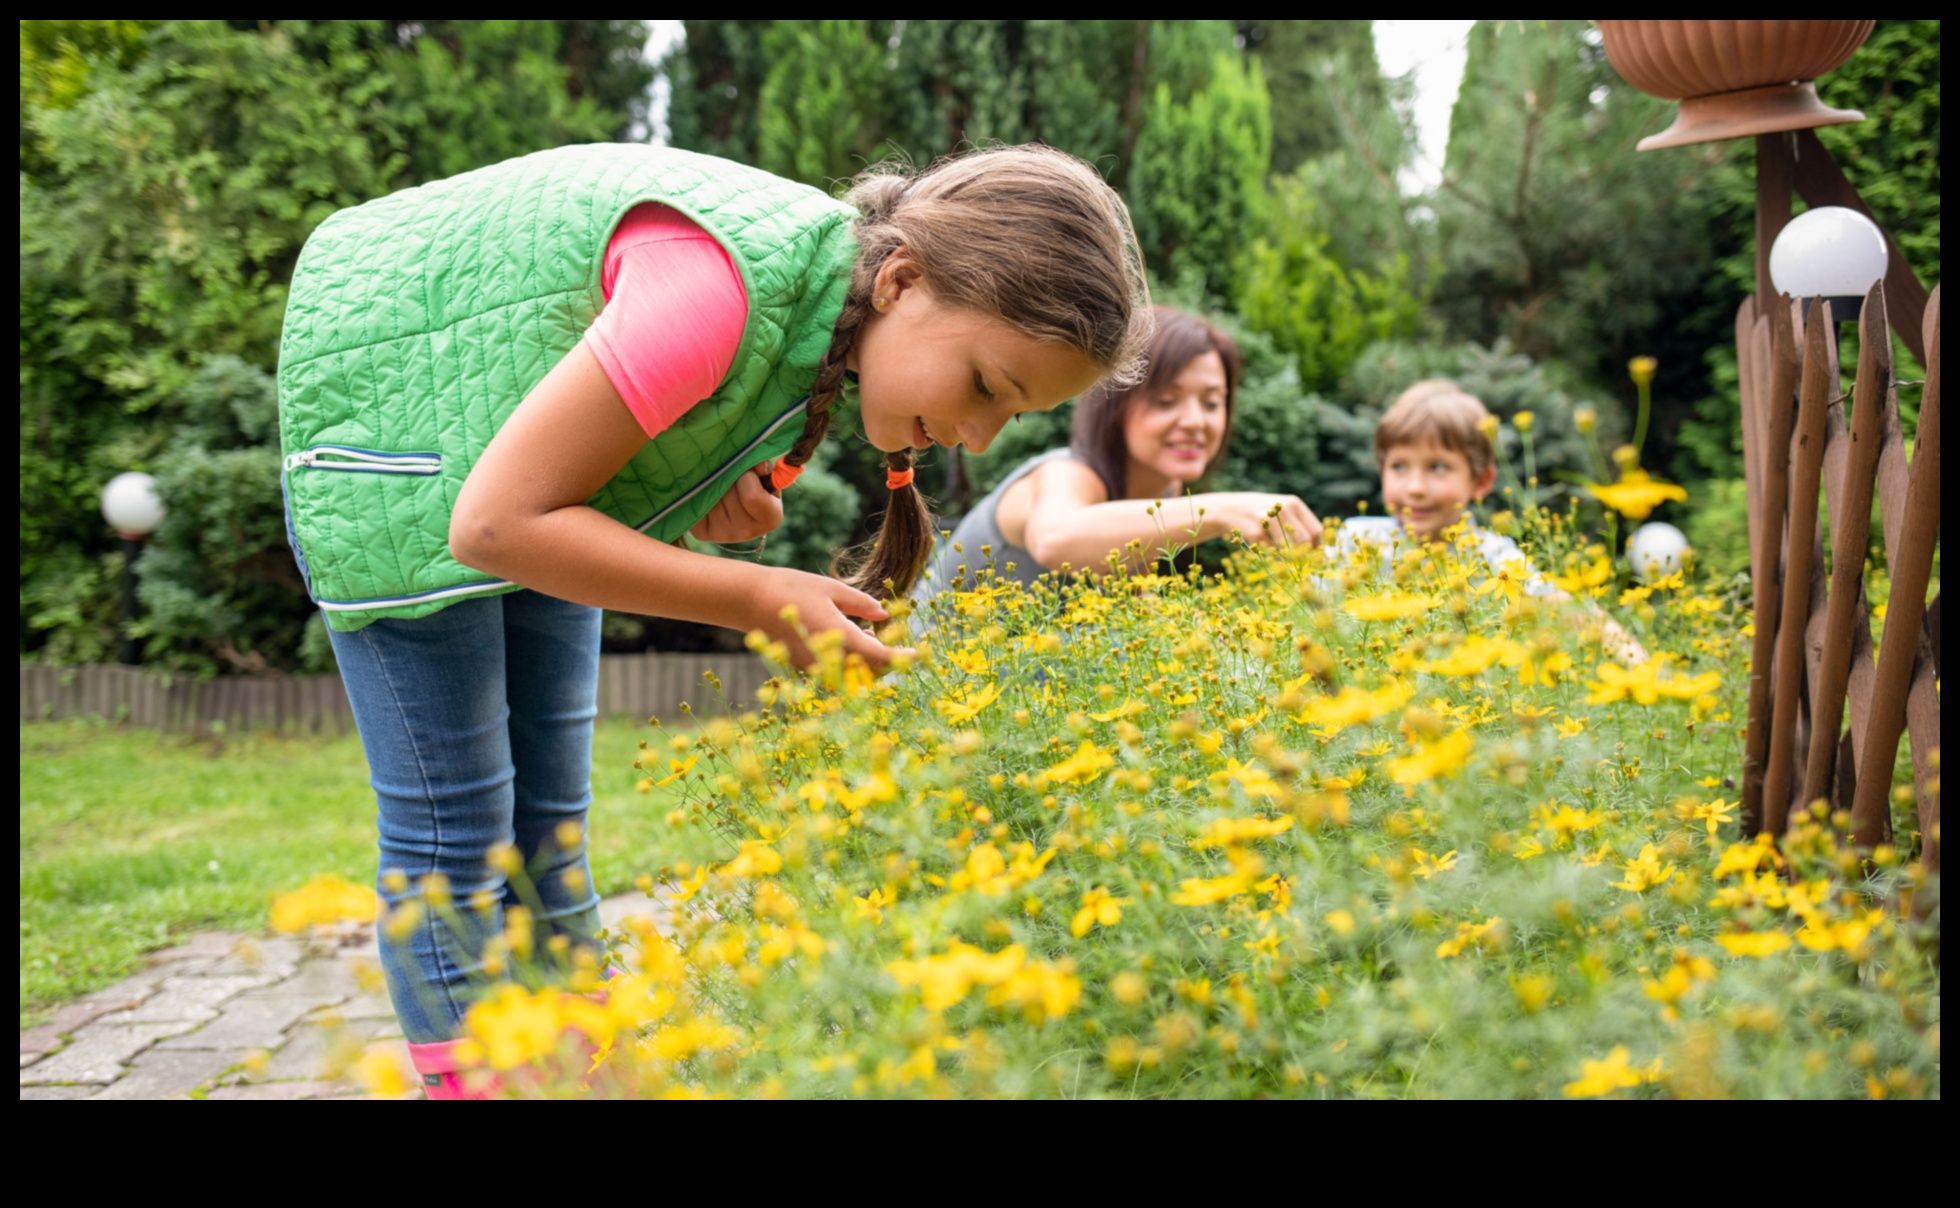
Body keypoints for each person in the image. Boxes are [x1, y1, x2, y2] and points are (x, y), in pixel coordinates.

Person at [276, 143, 1151, 1094]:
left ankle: (585, 1081)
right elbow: (494, 524)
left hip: (517, 486)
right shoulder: (717, 294)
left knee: (548, 841)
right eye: (986, 384)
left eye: (1013, 415)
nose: (978, 436)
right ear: (901, 279)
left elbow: (584, 443)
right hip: (400, 451)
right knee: (455, 839)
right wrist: (752, 596)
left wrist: (702, 498)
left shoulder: (823, 322)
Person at [910, 306, 1320, 605]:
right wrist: (1222, 510)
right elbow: (1056, 539)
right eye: (1166, 401)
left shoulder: (1165, 491)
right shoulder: (1065, 473)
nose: (1196, 421)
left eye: (1212, 403)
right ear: (1115, 406)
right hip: (920, 699)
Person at [1332, 380, 1647, 660]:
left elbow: (1566, 607)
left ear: (1481, 481)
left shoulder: (1495, 556)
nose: (1415, 488)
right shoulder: (1356, 540)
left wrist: (1649, 673)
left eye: (1438, 467)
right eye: (1399, 466)